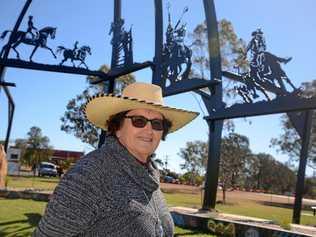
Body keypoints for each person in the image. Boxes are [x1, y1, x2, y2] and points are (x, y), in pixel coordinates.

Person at [33, 82, 199, 237]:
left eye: (157, 124)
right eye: (139, 121)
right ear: (117, 127)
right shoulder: (89, 175)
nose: (149, 130)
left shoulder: (150, 177)